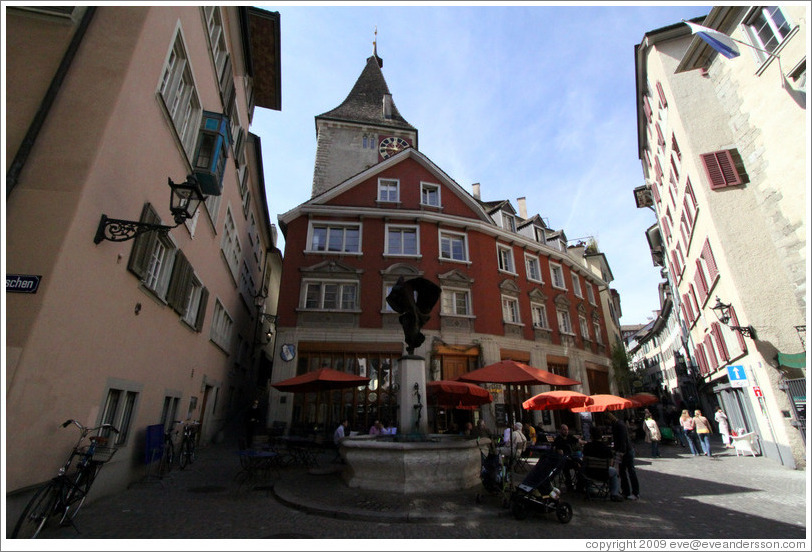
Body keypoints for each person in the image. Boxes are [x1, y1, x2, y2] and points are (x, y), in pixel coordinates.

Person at [582, 427, 623, 502]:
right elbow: (610, 464)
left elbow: (584, 460)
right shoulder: (606, 449)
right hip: (603, 474)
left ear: (591, 436)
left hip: (589, 473)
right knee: (614, 471)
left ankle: (589, 489)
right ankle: (614, 493)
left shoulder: (587, 447)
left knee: (583, 467)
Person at [607, 411, 639, 500]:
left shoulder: (620, 425)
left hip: (626, 452)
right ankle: (626, 491)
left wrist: (621, 452)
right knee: (622, 472)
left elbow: (623, 440)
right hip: (621, 451)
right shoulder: (616, 425)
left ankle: (635, 492)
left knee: (630, 471)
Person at [553, 424, 583, 491]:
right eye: (564, 430)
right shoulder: (558, 440)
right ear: (561, 430)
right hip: (564, 460)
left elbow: (578, 441)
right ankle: (569, 484)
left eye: (567, 430)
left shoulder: (569, 437)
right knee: (569, 466)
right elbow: (560, 453)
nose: (566, 431)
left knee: (582, 465)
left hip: (572, 457)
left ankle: (580, 484)